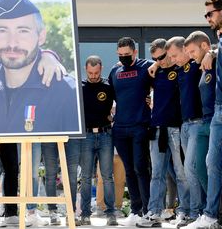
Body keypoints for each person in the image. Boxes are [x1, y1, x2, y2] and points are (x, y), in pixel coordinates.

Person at [0, 0, 79, 134]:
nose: (12, 43)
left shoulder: (67, 92)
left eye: (23, 31)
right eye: (2, 30)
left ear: (41, 36)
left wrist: (49, 55)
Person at [136, 38, 189, 228]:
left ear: (169, 51)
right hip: (157, 128)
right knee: (157, 174)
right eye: (155, 59)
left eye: (162, 56)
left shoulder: (182, 67)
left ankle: (185, 212)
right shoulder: (154, 72)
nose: (160, 61)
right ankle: (154, 212)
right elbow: (133, 67)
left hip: (176, 128)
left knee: (182, 174)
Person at [180, 0, 222, 229]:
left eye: (210, 13)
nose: (207, 18)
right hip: (212, 117)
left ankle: (210, 214)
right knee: (205, 165)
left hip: (212, 118)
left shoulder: (212, 55)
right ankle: (211, 214)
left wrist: (212, 52)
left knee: (207, 165)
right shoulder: (209, 55)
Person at [109, 37, 152, 226]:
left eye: (127, 54)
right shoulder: (114, 71)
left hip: (139, 126)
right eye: (121, 55)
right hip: (119, 128)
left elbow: (164, 66)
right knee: (129, 170)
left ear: (135, 52)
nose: (124, 57)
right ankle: (135, 210)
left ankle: (149, 210)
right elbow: (108, 96)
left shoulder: (146, 67)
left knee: (140, 168)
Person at [165, 36, 205, 228]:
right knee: (188, 171)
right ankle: (192, 210)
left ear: (185, 49)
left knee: (191, 167)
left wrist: (212, 53)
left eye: (175, 55)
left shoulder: (198, 64)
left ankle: (197, 212)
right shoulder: (179, 70)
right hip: (184, 125)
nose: (173, 59)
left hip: (199, 123)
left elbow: (211, 50)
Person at [79, 55, 117, 226]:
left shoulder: (109, 86)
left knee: (107, 176)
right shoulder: (80, 87)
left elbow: (120, 104)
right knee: (86, 177)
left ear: (101, 68)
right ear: (85, 70)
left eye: (96, 73)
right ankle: (85, 214)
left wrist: (113, 116)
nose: (93, 76)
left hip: (105, 135)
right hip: (85, 136)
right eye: (90, 73)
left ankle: (111, 214)